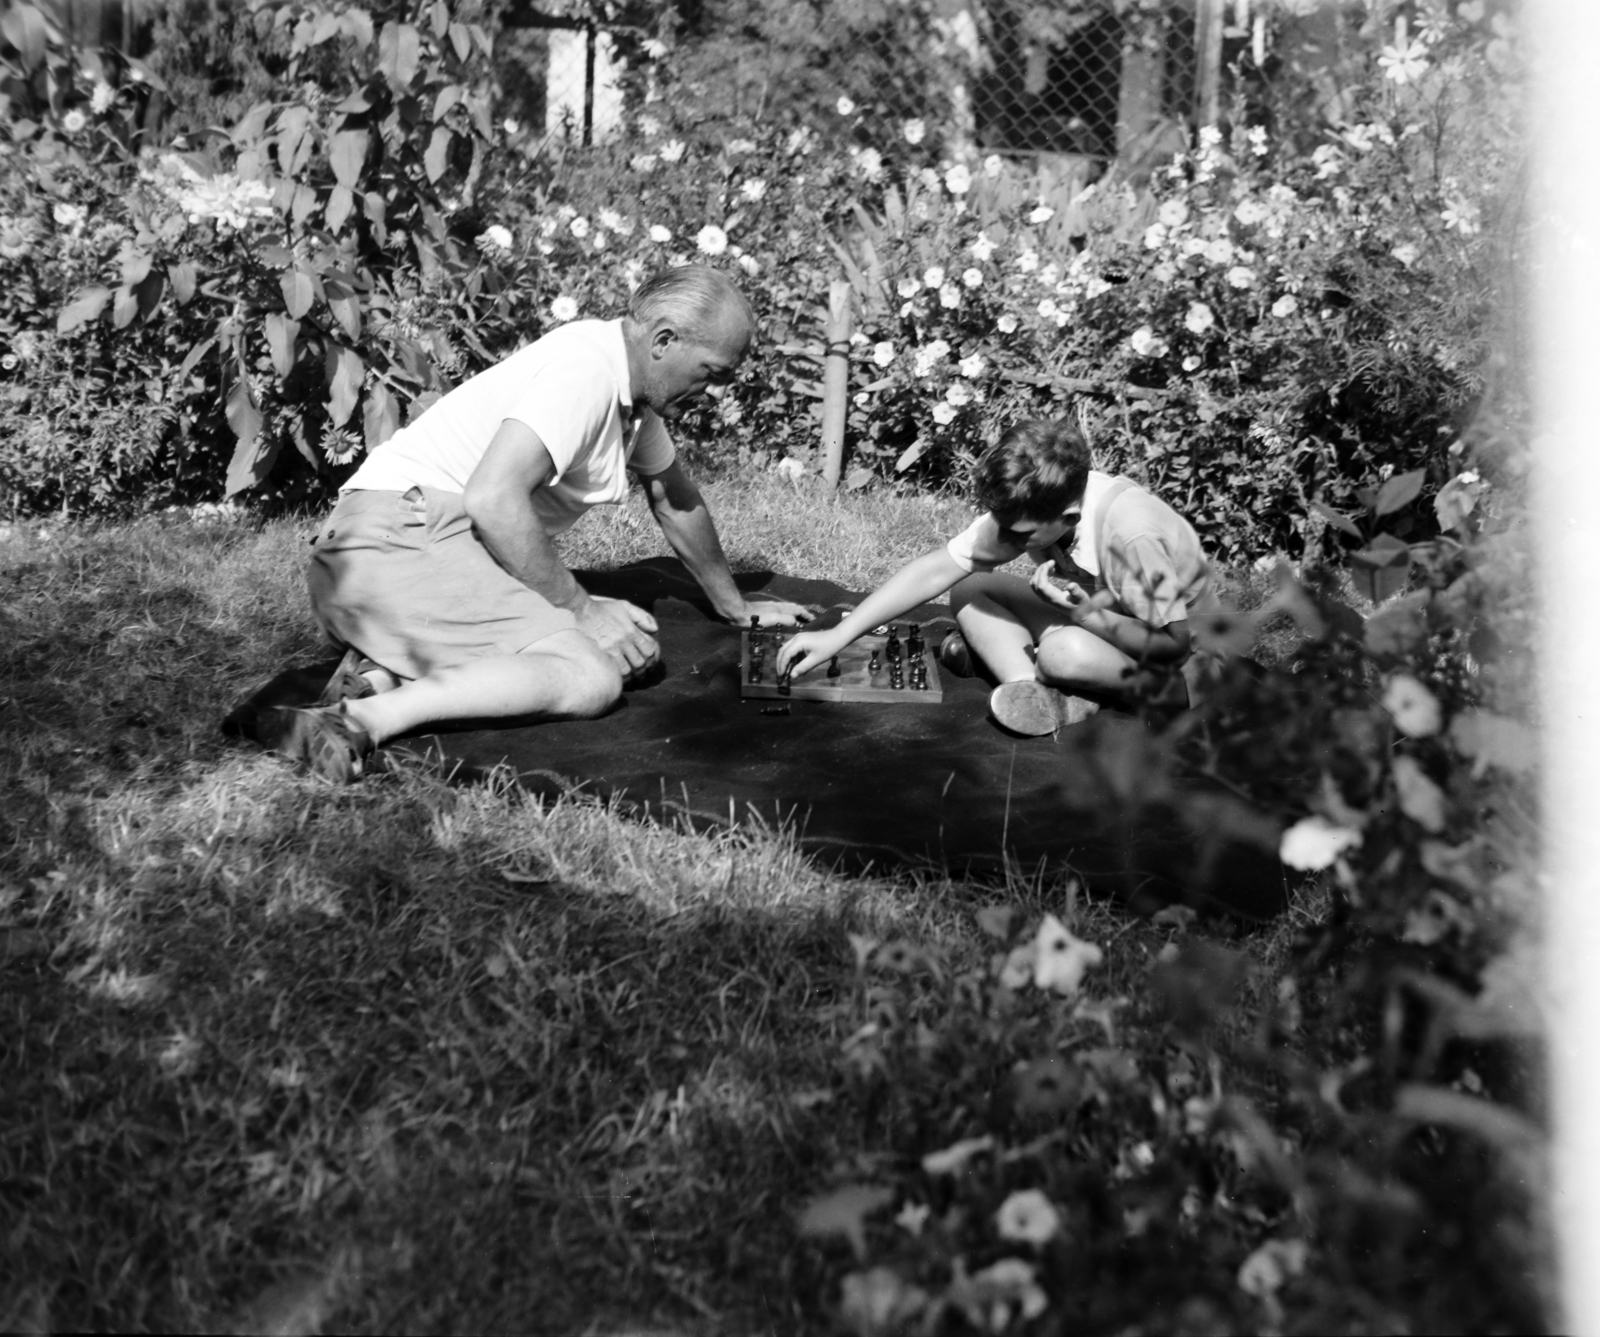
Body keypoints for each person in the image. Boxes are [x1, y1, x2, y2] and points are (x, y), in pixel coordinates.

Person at [262, 265, 813, 780]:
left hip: (419, 541)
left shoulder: (632, 393)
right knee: (590, 676)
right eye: (713, 373)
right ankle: (353, 723)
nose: (716, 393)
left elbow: (675, 497)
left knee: (610, 644)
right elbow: (494, 498)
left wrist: (735, 605)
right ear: (664, 341)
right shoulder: (586, 373)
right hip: (390, 541)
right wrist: (582, 610)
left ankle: (379, 671)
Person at [776, 417, 1214, 735]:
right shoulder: (1038, 506)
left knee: (1063, 652)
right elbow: (937, 570)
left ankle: (1086, 686)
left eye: (1017, 534)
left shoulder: (1131, 532)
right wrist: (839, 636)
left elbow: (1175, 647)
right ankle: (1034, 696)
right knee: (971, 587)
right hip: (1112, 626)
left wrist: (1087, 619)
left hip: (1185, 664)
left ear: (1069, 516)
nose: (1002, 540)